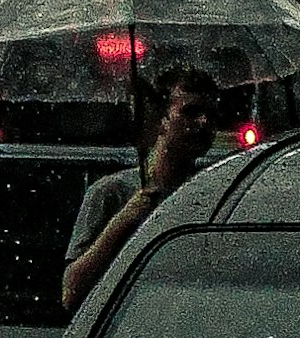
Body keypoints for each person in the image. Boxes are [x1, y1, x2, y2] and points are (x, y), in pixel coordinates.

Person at [59, 60, 228, 316]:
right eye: (190, 112)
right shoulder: (111, 193)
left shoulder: (214, 194)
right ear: (162, 119)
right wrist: (123, 222)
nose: (203, 123)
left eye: (212, 115)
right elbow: (72, 293)